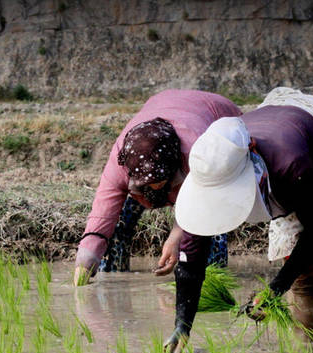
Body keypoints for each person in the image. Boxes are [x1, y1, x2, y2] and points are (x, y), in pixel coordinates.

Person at [167, 87, 313, 353]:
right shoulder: (210, 167)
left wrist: (275, 289)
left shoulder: (290, 167)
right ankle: (299, 336)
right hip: (280, 121)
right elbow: (192, 254)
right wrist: (182, 324)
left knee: (309, 271)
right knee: (291, 256)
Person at [73, 90, 241, 286]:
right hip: (163, 105)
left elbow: (205, 202)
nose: (155, 185)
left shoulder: (199, 153)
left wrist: (176, 237)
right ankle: (112, 274)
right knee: (119, 222)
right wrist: (85, 261)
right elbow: (103, 213)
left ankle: (212, 280)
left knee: (212, 224)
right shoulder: (121, 161)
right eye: (146, 182)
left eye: (159, 180)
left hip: (214, 114)